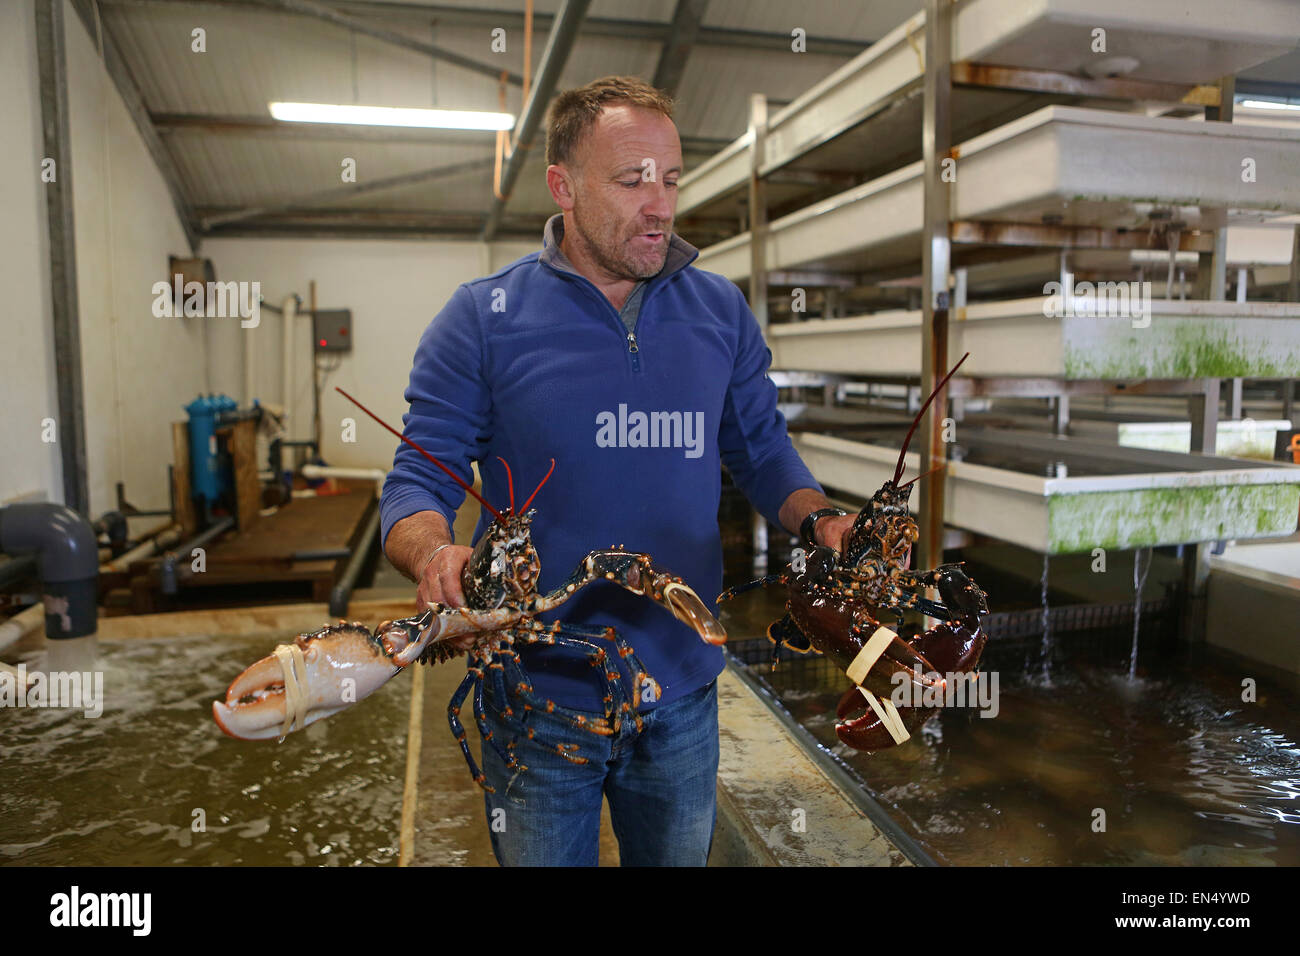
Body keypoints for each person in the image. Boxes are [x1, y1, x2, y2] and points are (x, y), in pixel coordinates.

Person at [379, 75, 856, 867]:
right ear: (562, 187)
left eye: (670, 179)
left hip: (682, 691)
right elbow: (415, 482)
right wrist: (433, 553)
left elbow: (764, 452)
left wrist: (820, 519)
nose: (660, 204)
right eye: (632, 180)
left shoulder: (719, 311)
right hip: (535, 702)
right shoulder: (480, 320)